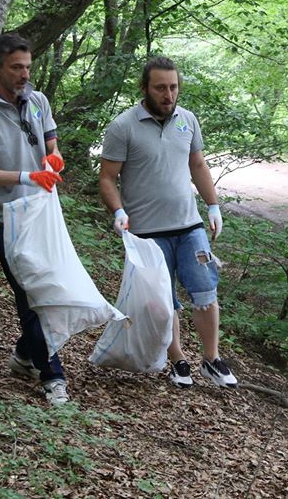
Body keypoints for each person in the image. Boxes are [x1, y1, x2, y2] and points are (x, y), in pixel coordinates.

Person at [98, 56, 237, 389]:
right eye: (160, 88)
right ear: (144, 88)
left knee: (205, 289)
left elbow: (197, 165)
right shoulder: (123, 126)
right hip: (147, 232)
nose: (168, 94)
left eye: (173, 87)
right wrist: (118, 211)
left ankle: (212, 359)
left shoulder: (187, 120)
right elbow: (107, 177)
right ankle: (178, 361)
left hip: (189, 226)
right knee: (163, 300)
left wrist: (213, 206)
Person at [0, 33, 69, 405]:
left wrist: (53, 158)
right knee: (32, 297)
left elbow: (51, 143)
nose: (25, 74)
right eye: (16, 68)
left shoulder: (38, 100)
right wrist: (27, 177)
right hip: (8, 221)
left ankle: (24, 354)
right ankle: (52, 376)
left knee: (51, 291)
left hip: (44, 215)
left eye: (28, 67)